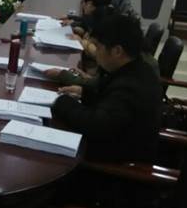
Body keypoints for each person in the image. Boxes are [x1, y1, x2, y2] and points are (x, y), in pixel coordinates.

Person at [51, 14, 162, 162]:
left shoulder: (129, 88)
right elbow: (110, 106)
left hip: (116, 168)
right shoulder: (137, 68)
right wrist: (84, 93)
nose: (95, 53)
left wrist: (62, 102)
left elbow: (95, 125)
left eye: (98, 47)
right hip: (115, 147)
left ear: (117, 51)